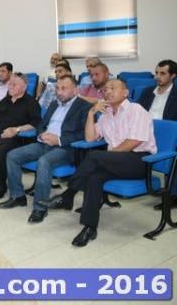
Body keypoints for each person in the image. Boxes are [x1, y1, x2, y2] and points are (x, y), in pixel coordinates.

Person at [39, 79, 157, 247]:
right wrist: (91, 114)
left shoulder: (136, 110)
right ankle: (90, 227)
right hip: (116, 161)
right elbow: (90, 138)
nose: (108, 91)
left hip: (140, 161)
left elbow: (134, 141)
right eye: (106, 89)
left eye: (113, 88)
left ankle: (68, 195)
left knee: (94, 156)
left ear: (125, 93)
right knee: (94, 178)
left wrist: (107, 156)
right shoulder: (106, 114)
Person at [1, 76, 91, 223]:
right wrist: (42, 134)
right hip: (43, 143)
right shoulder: (54, 104)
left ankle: (40, 208)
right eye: (57, 88)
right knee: (12, 155)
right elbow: (41, 124)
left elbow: (84, 134)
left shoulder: (84, 107)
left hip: (65, 148)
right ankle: (17, 196)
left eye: (64, 88)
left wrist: (59, 139)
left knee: (44, 161)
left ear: (75, 90)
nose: (59, 92)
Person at [137, 59, 177, 209]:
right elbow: (137, 114)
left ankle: (173, 195)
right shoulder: (147, 92)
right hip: (145, 134)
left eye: (162, 73)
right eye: (156, 73)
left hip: (168, 136)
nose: (157, 77)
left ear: (173, 75)